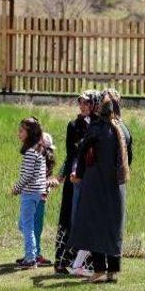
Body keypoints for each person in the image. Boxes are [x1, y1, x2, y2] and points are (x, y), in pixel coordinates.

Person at [70, 92, 131, 283]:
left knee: (94, 225)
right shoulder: (124, 129)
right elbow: (130, 158)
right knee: (112, 226)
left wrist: (79, 175)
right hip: (116, 186)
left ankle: (98, 270)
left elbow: (81, 152)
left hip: (95, 184)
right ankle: (113, 271)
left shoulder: (97, 128)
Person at [54, 91, 96, 276]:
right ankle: (63, 262)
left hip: (92, 179)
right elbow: (71, 154)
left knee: (89, 219)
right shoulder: (73, 125)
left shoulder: (99, 125)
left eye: (87, 103)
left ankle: (86, 263)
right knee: (70, 218)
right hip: (74, 179)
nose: (83, 107)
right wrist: (62, 175)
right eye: (81, 103)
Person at [11, 117, 47, 269]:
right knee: (25, 225)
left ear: (29, 133)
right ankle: (30, 254)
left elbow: (27, 176)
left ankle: (31, 258)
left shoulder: (30, 152)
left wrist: (16, 188)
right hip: (37, 193)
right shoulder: (38, 149)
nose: (18, 134)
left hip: (30, 193)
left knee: (27, 226)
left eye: (21, 131)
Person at [31, 131, 57, 268]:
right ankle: (35, 254)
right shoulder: (43, 161)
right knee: (36, 227)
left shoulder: (37, 159)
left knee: (32, 226)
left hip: (36, 197)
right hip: (39, 198)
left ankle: (32, 253)